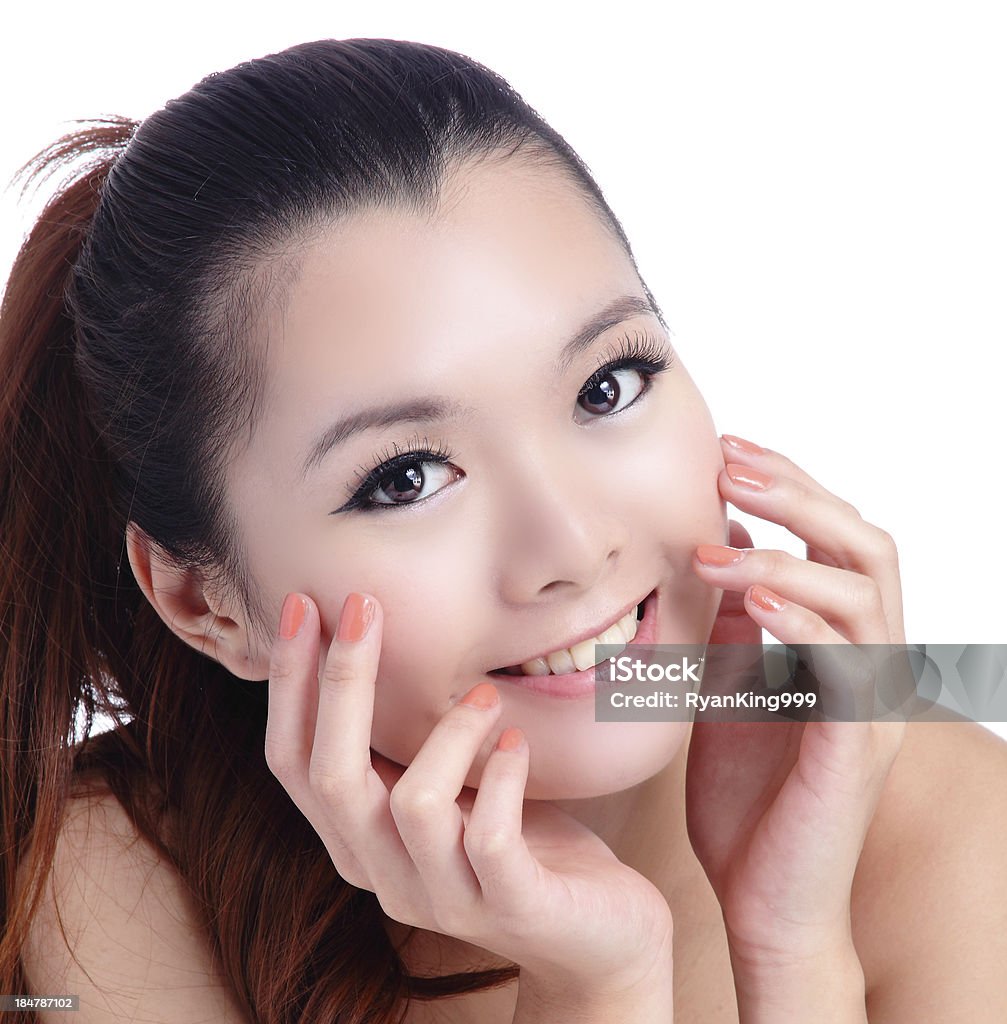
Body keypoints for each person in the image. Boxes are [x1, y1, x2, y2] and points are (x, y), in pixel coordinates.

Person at [1, 36, 1004, 1024]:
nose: (570, 546)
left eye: (606, 386)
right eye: (406, 477)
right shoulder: (89, 903)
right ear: (202, 602)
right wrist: (596, 986)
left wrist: (789, 949)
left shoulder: (948, 827)